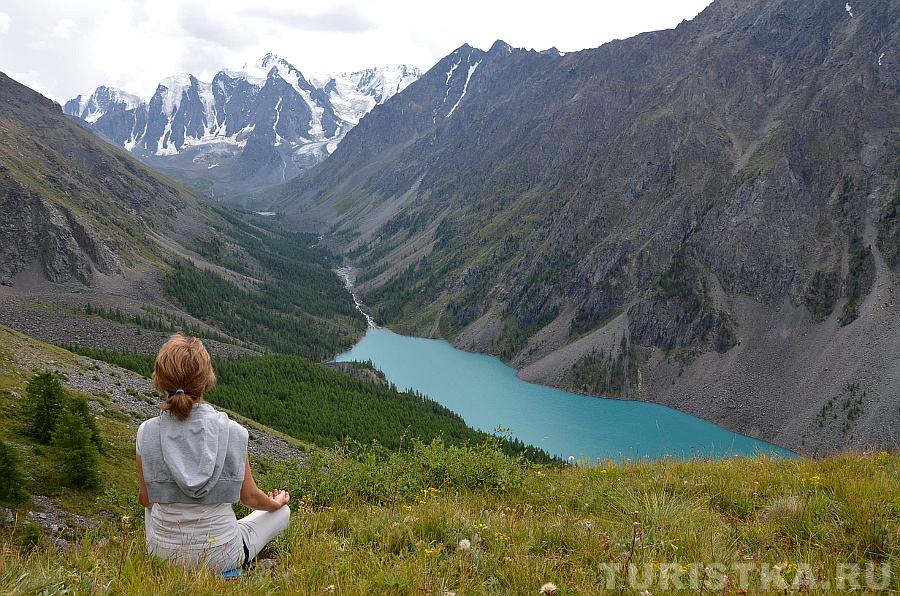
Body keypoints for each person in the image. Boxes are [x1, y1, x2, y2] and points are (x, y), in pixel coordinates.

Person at [135, 334, 291, 573]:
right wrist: (275, 502)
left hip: (163, 558)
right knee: (282, 513)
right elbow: (249, 498)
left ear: (160, 379)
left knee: (151, 507)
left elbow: (146, 500)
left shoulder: (146, 432)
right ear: (206, 380)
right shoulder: (232, 431)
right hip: (222, 555)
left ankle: (168, 550)